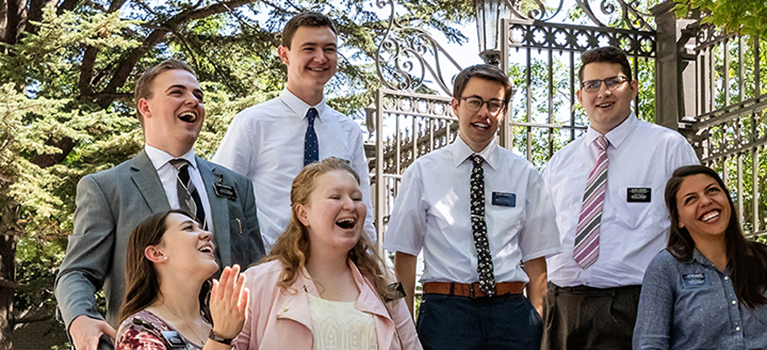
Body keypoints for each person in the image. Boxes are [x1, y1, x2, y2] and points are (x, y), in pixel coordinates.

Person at [54, 60, 265, 350]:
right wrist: (79, 318)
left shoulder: (237, 185)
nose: (192, 100)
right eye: (177, 92)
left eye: (198, 96)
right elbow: (77, 271)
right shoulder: (106, 187)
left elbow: (257, 272)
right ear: (145, 107)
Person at [384, 64, 562, 349]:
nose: (484, 113)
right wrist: (404, 328)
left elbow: (535, 257)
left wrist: (538, 324)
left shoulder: (525, 175)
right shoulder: (422, 172)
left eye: (494, 104)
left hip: (511, 315)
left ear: (503, 112)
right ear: (456, 105)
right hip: (446, 314)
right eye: (475, 102)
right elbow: (405, 254)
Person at [541, 46, 700, 349]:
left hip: (634, 305)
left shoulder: (667, 148)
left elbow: (696, 225)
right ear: (580, 96)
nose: (603, 92)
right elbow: (537, 237)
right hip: (561, 308)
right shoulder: (559, 163)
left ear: (633, 89)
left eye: (613, 82)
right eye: (592, 85)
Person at [213, 12, 375, 252]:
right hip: (270, 266)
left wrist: (375, 272)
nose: (320, 58)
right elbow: (221, 198)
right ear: (284, 55)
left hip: (332, 270)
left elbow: (365, 212)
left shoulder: (348, 131)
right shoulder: (253, 123)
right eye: (309, 48)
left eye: (329, 49)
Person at [236, 157, 421, 350]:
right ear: (303, 214)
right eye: (335, 197)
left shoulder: (386, 281)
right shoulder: (256, 282)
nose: (350, 205)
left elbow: (410, 345)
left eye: (357, 198)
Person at [633, 165, 767, 349]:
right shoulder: (666, 267)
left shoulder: (762, 258)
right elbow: (649, 343)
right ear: (678, 219)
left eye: (712, 190)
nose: (705, 201)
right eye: (690, 199)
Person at [115, 210, 249, 350]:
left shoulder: (220, 321)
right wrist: (221, 338)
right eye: (188, 228)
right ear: (157, 253)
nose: (208, 234)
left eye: (201, 228)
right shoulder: (138, 331)